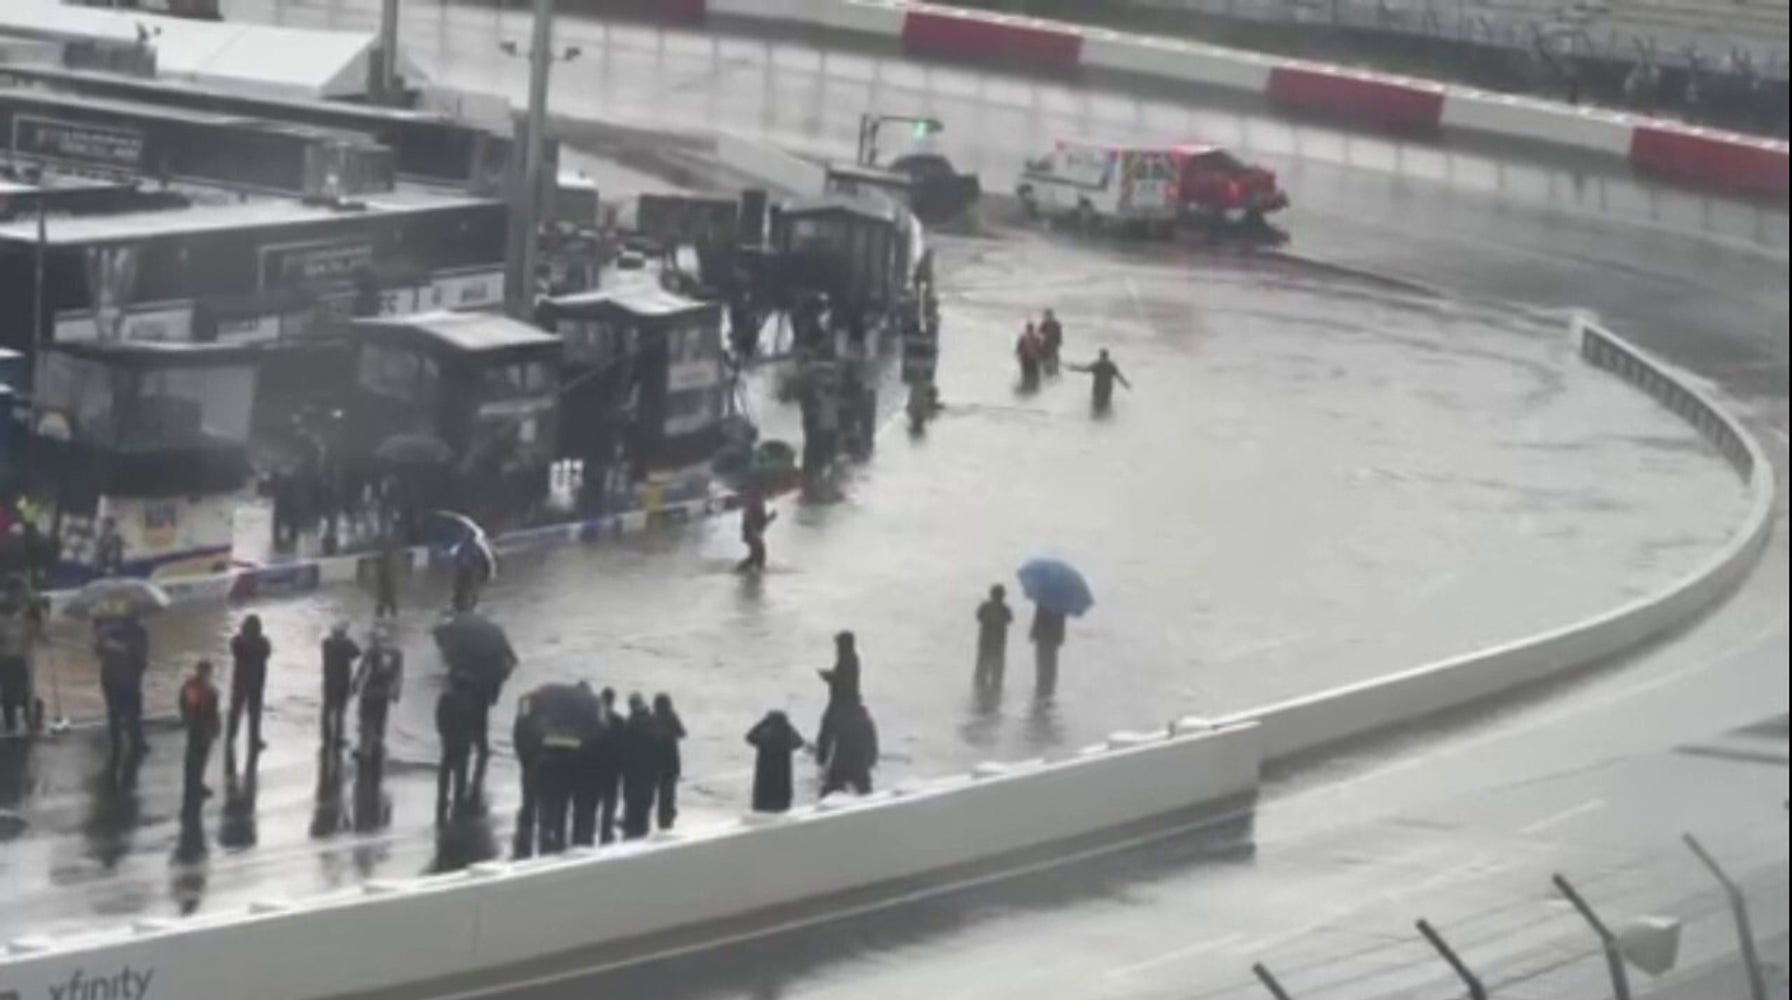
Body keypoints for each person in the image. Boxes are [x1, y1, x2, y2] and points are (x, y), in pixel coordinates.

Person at [94, 613, 149, 772]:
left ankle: (124, 745)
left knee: (119, 714)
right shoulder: (138, 632)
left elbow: (98, 652)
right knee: (127, 714)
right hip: (122, 680)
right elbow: (142, 660)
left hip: (117, 679)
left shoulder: (113, 632)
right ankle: (133, 744)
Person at [435, 676, 482, 826]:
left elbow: (439, 717)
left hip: (449, 738)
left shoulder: (446, 698)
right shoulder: (471, 702)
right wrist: (475, 739)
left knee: (446, 767)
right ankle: (458, 798)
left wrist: (443, 733)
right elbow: (475, 722)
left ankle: (442, 796)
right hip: (463, 740)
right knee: (461, 770)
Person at [352, 625, 403, 759]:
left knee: (366, 719)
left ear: (375, 639)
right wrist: (396, 691)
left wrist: (355, 685)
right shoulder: (396, 652)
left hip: (369, 691)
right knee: (380, 719)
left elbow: (363, 669)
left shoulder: (372, 650)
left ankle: (365, 749)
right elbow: (398, 674)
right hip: (384, 692)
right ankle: (377, 746)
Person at [178, 659, 221, 815]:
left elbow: (213, 711)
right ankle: (192, 784)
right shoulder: (195, 687)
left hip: (204, 727)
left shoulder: (208, 689)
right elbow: (191, 705)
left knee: (202, 756)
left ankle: (197, 783)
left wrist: (216, 727)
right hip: (197, 726)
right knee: (194, 756)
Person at [227, 614, 271, 758]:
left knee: (235, 711)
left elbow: (236, 651)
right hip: (257, 682)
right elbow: (266, 654)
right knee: (255, 713)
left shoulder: (237, 642)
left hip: (240, 682)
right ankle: (254, 740)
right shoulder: (263, 642)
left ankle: (230, 738)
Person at [815, 631, 861, 765]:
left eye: (839, 644)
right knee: (835, 730)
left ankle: (822, 759)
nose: (837, 647)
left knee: (827, 729)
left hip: (841, 702)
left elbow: (842, 681)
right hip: (846, 701)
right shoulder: (850, 658)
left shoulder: (847, 660)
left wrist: (827, 677)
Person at [746, 710, 805, 813]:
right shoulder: (786, 737)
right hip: (782, 790)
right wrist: (788, 726)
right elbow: (799, 742)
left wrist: (762, 723)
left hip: (763, 790)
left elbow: (749, 737)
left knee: (761, 811)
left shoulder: (764, 737)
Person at [617, 693, 659, 840]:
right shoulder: (653, 721)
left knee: (632, 808)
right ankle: (642, 834)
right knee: (645, 808)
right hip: (649, 774)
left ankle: (631, 834)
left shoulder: (630, 724)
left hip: (633, 774)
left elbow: (624, 750)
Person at [0, 577, 36, 734]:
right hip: (6, 656)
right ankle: (11, 723)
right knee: (9, 690)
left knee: (25, 688)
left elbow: (35, 632)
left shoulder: (28, 610)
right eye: (21, 590)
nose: (23, 594)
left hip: (21, 656)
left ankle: (29, 720)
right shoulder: (4, 609)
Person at [821, 701, 878, 796]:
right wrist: (871, 761)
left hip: (842, 763)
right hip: (860, 764)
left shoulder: (841, 719)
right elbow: (872, 744)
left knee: (831, 789)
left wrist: (822, 759)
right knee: (865, 791)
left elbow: (828, 739)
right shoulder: (866, 721)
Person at [320, 622, 360, 752]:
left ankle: (326, 736)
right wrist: (346, 637)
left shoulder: (326, 644)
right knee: (340, 711)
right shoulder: (346, 645)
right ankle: (338, 737)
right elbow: (357, 653)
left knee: (327, 709)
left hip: (329, 682)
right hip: (343, 682)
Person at [652, 693, 686, 832]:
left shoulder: (653, 718)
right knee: (669, 793)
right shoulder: (672, 717)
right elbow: (682, 734)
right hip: (671, 762)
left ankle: (663, 818)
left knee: (661, 793)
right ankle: (667, 817)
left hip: (658, 762)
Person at [974, 584, 1014, 692]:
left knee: (982, 669)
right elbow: (1010, 620)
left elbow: (978, 617)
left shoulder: (985, 606)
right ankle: (994, 690)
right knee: (996, 671)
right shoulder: (1005, 608)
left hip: (985, 642)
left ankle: (980, 690)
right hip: (998, 643)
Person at [1068, 349, 1132, 413]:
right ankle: (1107, 420)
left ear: (1100, 355)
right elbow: (1119, 376)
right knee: (1106, 405)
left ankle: (1097, 420)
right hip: (1107, 389)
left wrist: (1074, 368)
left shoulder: (1097, 364)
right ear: (1107, 356)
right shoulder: (1111, 365)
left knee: (1096, 407)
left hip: (1098, 389)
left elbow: (1085, 369)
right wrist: (1126, 384)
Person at [1029, 605, 1067, 698]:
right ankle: (1049, 686)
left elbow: (1037, 619)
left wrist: (1033, 633)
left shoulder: (1042, 604)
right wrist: (1060, 638)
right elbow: (1061, 623)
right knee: (1051, 662)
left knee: (1041, 661)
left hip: (1042, 637)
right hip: (1052, 638)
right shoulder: (1060, 606)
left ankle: (1041, 685)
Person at [735, 488, 775, 574]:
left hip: (755, 535)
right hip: (751, 535)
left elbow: (763, 523)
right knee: (759, 554)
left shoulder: (760, 506)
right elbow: (749, 521)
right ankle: (757, 574)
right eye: (760, 496)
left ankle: (741, 571)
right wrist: (754, 533)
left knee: (754, 557)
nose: (762, 498)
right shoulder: (751, 508)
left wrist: (771, 517)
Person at [1016, 322, 1042, 390]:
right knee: (1034, 375)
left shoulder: (1023, 338)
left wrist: (1019, 356)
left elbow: (1018, 349)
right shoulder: (1036, 338)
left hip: (1026, 360)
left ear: (1027, 329)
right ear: (1032, 329)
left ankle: (1026, 386)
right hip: (1033, 360)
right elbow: (1039, 349)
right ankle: (1033, 387)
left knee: (1026, 374)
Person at [1039, 309, 1063, 376]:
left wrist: (1059, 342)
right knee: (1044, 358)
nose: (1047, 317)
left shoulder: (1056, 324)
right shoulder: (1045, 323)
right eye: (1046, 316)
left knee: (1054, 357)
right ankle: (1047, 372)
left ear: (1051, 315)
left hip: (1053, 344)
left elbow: (1059, 334)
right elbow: (1040, 332)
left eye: (1048, 315)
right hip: (1046, 344)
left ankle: (1055, 372)